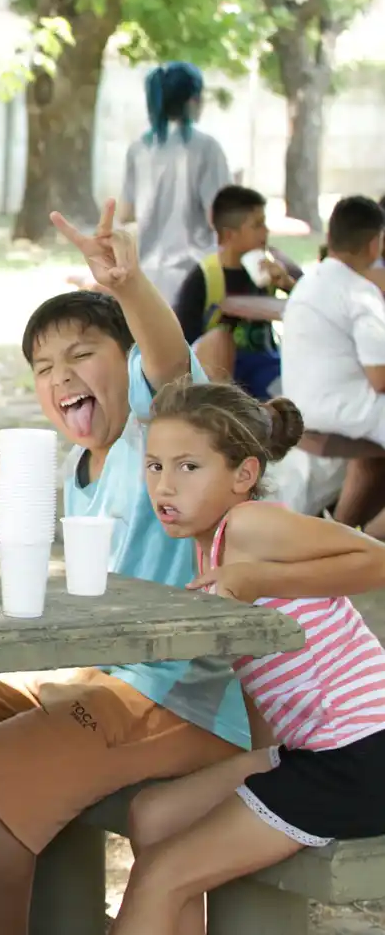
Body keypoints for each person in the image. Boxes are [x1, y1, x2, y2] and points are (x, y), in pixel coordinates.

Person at [0, 203, 249, 935]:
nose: (61, 375)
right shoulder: (75, 470)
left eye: (81, 355)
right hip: (91, 673)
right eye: (44, 367)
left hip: (178, 690)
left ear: (126, 363)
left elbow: (171, 364)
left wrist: (130, 286)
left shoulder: (155, 430)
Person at [115, 380, 385, 935]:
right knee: (153, 815)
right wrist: (262, 766)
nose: (164, 485)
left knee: (163, 874)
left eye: (188, 468)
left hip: (359, 758)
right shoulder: (207, 544)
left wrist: (257, 577)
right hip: (311, 751)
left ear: (244, 476)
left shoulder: (249, 526)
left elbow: (376, 558)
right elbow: (258, 671)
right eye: (154, 466)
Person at [118, 61, 233, 305]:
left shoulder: (139, 149)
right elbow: (221, 217)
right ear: (192, 101)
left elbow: (125, 214)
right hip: (196, 275)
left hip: (147, 277)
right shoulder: (206, 149)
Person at [280, 196, 385, 448]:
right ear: (374, 245)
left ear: (330, 238)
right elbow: (380, 378)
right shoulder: (360, 292)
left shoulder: (308, 282)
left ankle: (356, 490)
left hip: (302, 404)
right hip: (346, 410)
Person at [171, 185, 295, 398]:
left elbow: (313, 304)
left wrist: (286, 284)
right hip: (220, 368)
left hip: (265, 364)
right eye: (258, 225)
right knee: (220, 340)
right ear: (230, 234)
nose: (266, 232)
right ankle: (225, 415)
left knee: (290, 395)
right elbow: (183, 340)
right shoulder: (205, 275)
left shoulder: (274, 264)